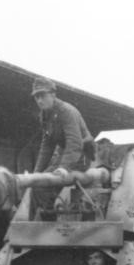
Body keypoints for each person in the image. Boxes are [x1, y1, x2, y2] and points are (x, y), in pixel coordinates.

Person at [30, 77, 95, 214]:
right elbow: (47, 146)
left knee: (47, 183)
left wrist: (64, 168)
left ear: (53, 94)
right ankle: (45, 219)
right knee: (38, 183)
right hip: (67, 155)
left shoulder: (67, 111)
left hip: (82, 157)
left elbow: (75, 143)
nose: (39, 100)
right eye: (36, 97)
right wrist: (36, 172)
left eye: (43, 95)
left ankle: (47, 219)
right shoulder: (45, 115)